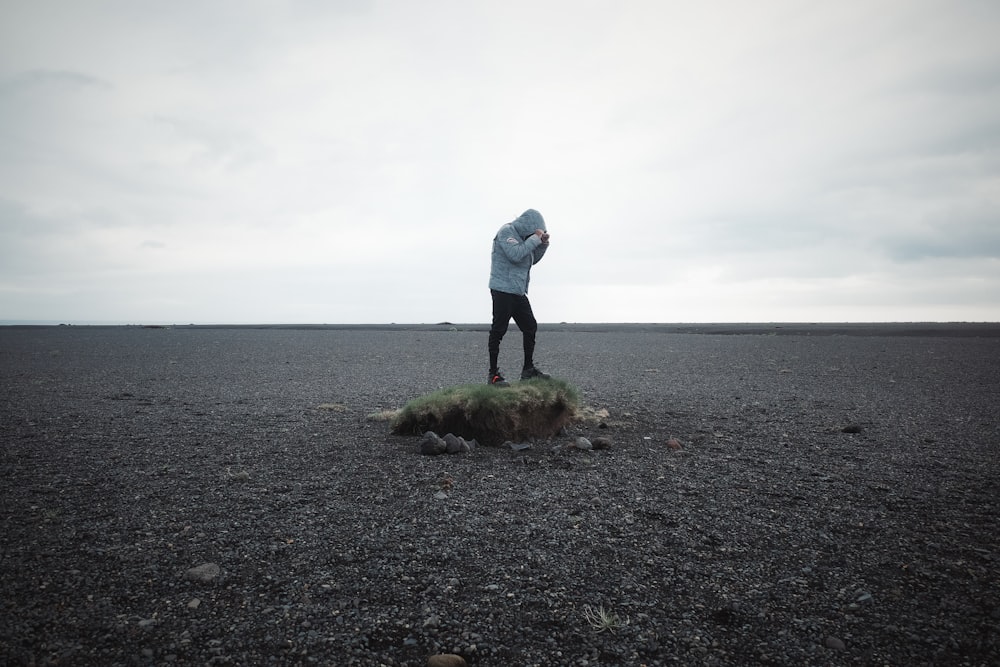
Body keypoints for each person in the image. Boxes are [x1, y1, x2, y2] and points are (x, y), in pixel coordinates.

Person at [487, 208, 551, 386]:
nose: (535, 234)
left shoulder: (524, 238)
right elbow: (515, 255)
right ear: (528, 225)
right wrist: (535, 238)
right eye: (534, 230)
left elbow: (530, 258)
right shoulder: (507, 231)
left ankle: (528, 370)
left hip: (517, 291)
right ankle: (493, 375)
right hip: (502, 289)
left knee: (530, 326)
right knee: (499, 330)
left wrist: (542, 244)